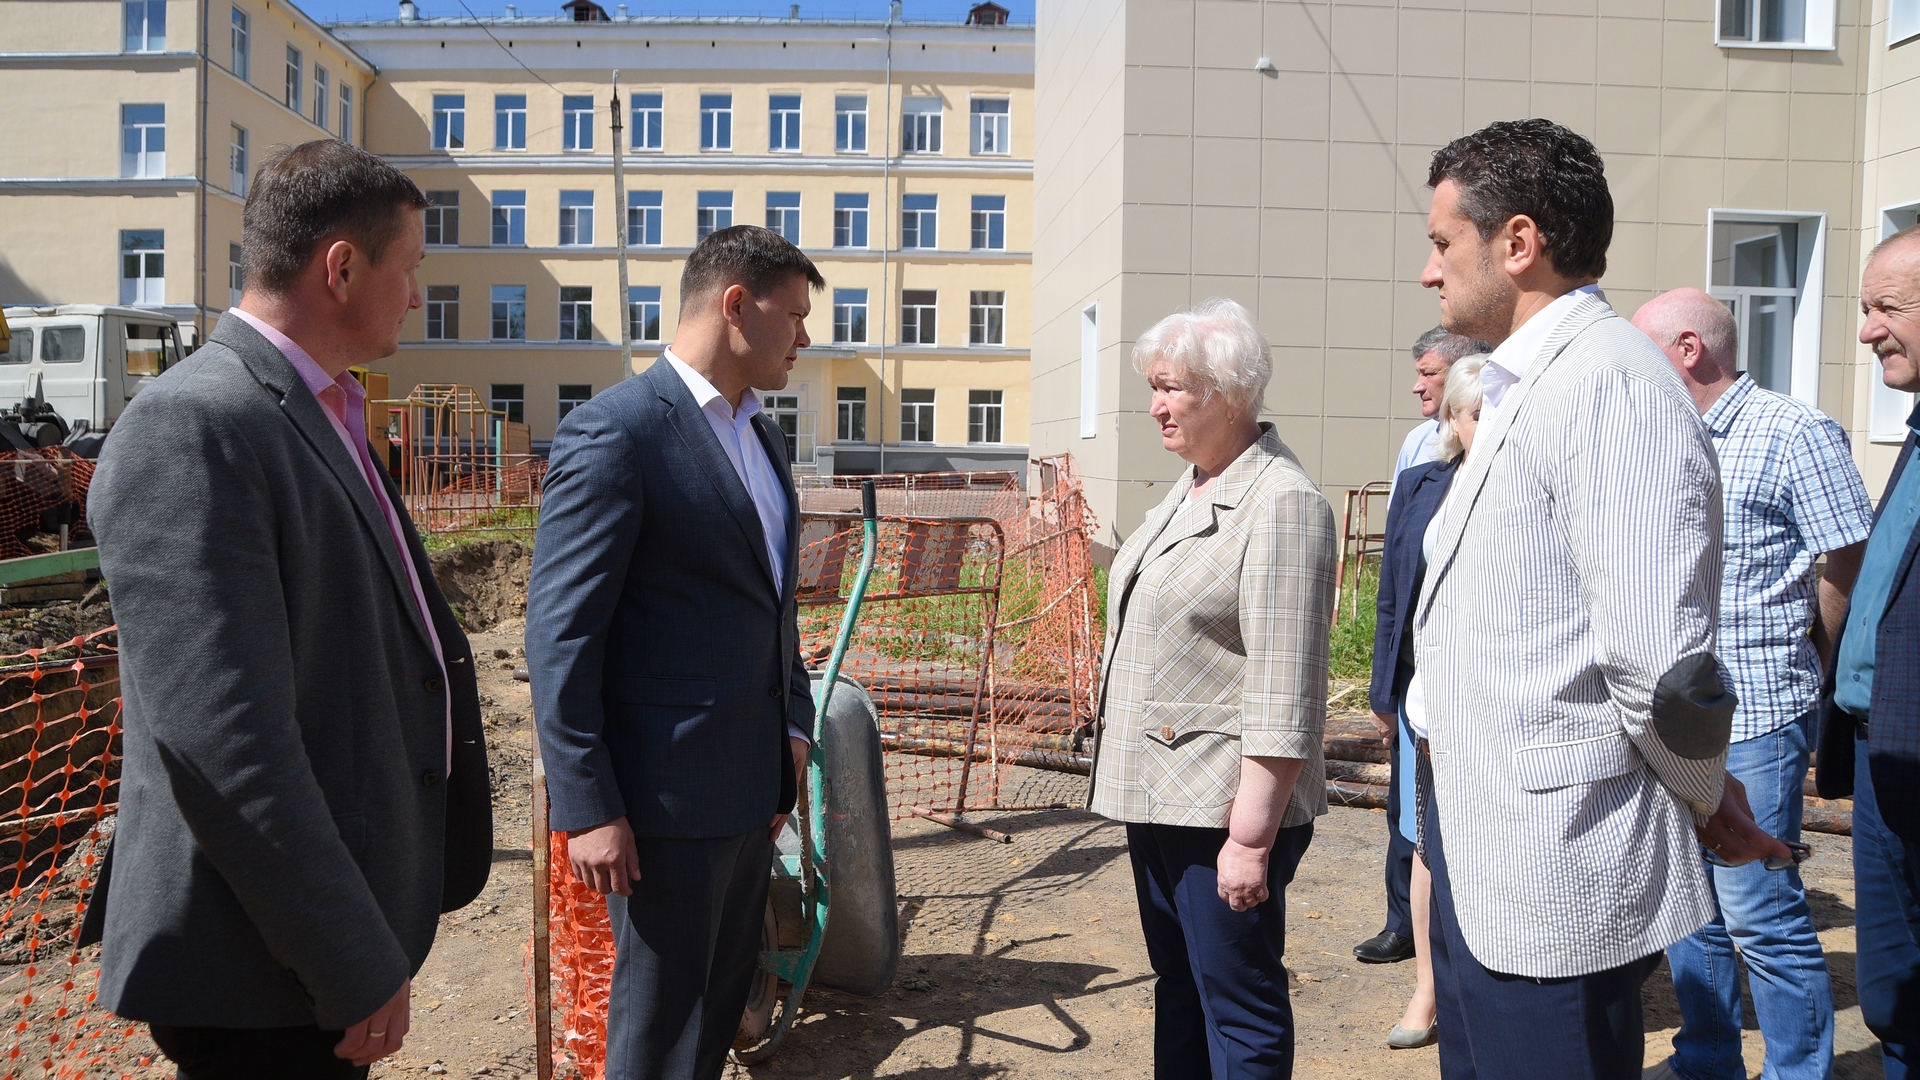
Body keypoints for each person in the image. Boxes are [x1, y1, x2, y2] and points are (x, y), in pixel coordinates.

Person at [84, 140, 493, 1078]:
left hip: (306, 954)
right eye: (412, 269)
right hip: (260, 973)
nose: (418, 295)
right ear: (342, 267)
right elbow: (228, 745)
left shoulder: (323, 412)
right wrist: (346, 959)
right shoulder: (196, 426)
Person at [1411, 118, 1790, 1080]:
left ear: (1520, 242)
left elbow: (1664, 664)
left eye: (1442, 242)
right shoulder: (1525, 381)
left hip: (1552, 863)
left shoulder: (1611, 386)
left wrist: (1703, 794)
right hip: (1488, 834)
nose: (1429, 272)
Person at [526, 225, 822, 1080]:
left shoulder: (763, 436)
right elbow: (562, 634)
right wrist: (586, 806)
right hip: (659, 806)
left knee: (715, 1008)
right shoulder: (618, 434)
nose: (804, 338)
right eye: (794, 316)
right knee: (657, 1031)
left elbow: (774, 608)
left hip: (749, 791)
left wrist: (793, 733)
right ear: (737, 305)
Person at [1086, 297, 1336, 1079]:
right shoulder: (1192, 487)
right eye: (1153, 387)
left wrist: (1251, 840)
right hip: (1160, 794)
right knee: (1182, 987)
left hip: (1221, 807)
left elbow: (1286, 686)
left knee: (1238, 1001)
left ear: (1228, 392)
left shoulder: (1282, 503)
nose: (1155, 405)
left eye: (1172, 388)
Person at [1632, 288, 1870, 1080]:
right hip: (1673, 716)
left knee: (1759, 912)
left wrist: (1815, 655)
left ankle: (1798, 1070)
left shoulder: (1794, 431)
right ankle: (1707, 1058)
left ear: (1689, 349)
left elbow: (1848, 559)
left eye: (1644, 350)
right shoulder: (1659, 435)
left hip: (1760, 708)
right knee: (1686, 907)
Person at [1816, 223, 1920, 1079]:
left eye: (1886, 308)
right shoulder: (1918, 429)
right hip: (1886, 757)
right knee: (1893, 990)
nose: (1866, 329)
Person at [1356, 326, 1490, 971]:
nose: (1417, 384)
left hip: (1479, 686)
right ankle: (1401, 921)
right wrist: (1384, 690)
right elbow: (1395, 588)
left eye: (1431, 374)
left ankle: (1459, 943)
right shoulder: (1419, 461)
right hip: (1417, 683)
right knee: (1407, 812)